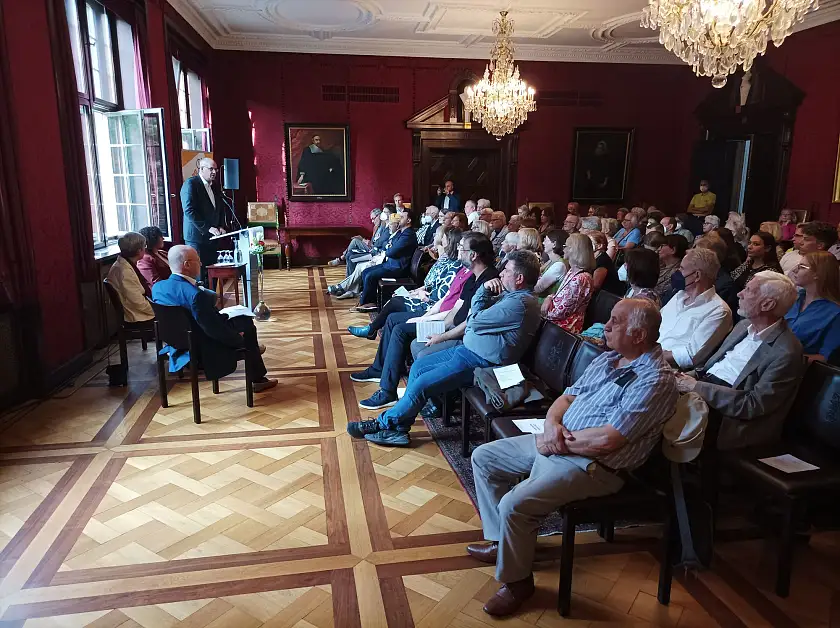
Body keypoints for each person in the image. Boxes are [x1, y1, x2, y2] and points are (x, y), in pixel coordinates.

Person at [468, 298, 677, 617]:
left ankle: (518, 583)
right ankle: (502, 543)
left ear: (638, 335)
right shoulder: (609, 359)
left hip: (595, 466)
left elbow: (609, 440)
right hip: (559, 442)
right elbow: (566, 398)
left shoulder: (656, 380)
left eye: (616, 321)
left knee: (514, 504)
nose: (606, 326)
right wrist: (552, 425)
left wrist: (558, 444)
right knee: (485, 458)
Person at [347, 250, 541, 446]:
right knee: (419, 367)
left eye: (506, 270)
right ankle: (399, 428)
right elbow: (474, 319)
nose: (501, 273)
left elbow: (473, 319)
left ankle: (383, 423)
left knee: (422, 385)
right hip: (468, 351)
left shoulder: (519, 304)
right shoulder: (511, 296)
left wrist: (482, 291)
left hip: (482, 362)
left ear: (519, 278)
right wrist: (481, 301)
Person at [352, 234, 498, 410]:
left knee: (401, 330)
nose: (459, 251)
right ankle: (388, 385)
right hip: (449, 326)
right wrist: (434, 325)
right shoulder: (473, 276)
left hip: (463, 336)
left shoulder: (490, 281)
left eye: (462, 248)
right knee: (398, 326)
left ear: (473, 255)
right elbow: (454, 311)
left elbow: (471, 322)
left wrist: (442, 336)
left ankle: (389, 391)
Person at [676, 271, 803, 449]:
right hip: (702, 389)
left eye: (748, 290)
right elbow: (707, 369)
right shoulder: (743, 326)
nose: (739, 294)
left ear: (767, 304)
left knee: (656, 414)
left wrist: (696, 387)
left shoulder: (786, 351)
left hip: (726, 415)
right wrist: (680, 378)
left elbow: (752, 405)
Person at [152, 245, 278, 392]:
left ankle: (253, 354)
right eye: (197, 260)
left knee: (238, 320)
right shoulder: (195, 295)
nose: (200, 263)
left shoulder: (158, 287)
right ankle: (257, 377)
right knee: (247, 325)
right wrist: (238, 339)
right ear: (187, 265)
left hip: (177, 340)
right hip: (202, 345)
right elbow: (212, 330)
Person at [348, 229, 463, 340]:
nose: (435, 237)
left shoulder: (454, 266)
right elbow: (429, 284)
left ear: (449, 242)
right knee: (393, 296)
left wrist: (418, 294)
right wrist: (414, 292)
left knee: (394, 302)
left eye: (441, 236)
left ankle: (371, 329)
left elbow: (440, 294)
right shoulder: (443, 260)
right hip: (423, 294)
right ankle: (373, 329)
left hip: (429, 303)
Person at [658, 248, 733, 370]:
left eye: (681, 268)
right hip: (645, 354)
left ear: (697, 275)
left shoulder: (719, 311)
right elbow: (654, 322)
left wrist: (647, 355)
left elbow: (690, 356)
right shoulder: (678, 295)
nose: (677, 272)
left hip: (665, 368)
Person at [785, 250, 840, 363]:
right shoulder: (794, 297)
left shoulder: (835, 313)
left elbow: (825, 358)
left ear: (817, 274)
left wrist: (782, 358)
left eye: (802, 267)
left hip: (797, 368)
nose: (794, 270)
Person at [357, 211, 417, 308]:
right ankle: (370, 300)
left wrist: (389, 247)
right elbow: (387, 243)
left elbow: (390, 252)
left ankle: (367, 303)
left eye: (402, 217)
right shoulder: (402, 232)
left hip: (397, 268)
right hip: (390, 264)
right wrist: (389, 246)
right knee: (365, 272)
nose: (399, 218)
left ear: (408, 220)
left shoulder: (408, 234)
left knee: (370, 276)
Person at [181, 158, 226, 278]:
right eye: (211, 169)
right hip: (197, 237)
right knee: (199, 274)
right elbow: (189, 210)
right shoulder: (191, 184)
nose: (214, 172)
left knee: (213, 272)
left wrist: (220, 226)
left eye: (215, 169)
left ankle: (212, 291)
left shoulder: (215, 186)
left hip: (213, 237)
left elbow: (220, 208)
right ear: (201, 169)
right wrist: (208, 228)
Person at [542, 233, 595, 332]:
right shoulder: (573, 271)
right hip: (555, 323)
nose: (563, 249)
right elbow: (559, 295)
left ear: (573, 250)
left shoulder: (581, 279)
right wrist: (549, 297)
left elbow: (561, 313)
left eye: (565, 246)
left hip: (564, 328)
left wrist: (542, 312)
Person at [107, 232, 154, 323]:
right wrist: (158, 309)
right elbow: (138, 303)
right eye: (144, 246)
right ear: (139, 250)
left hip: (138, 309)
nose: (145, 249)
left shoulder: (124, 263)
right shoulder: (125, 272)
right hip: (138, 316)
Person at [535, 230, 568, 298]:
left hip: (543, 302)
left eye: (546, 240)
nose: (543, 243)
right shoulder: (551, 261)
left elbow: (537, 289)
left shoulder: (558, 265)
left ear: (554, 244)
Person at [656, 234, 688, 299]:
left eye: (662, 246)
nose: (658, 249)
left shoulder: (678, 273)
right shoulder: (658, 265)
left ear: (673, 250)